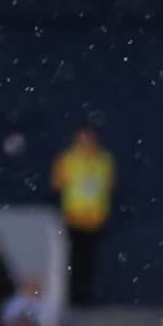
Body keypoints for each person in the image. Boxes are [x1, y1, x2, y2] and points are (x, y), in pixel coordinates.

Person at [51, 121, 116, 306]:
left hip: (95, 219)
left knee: (90, 261)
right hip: (73, 218)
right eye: (83, 138)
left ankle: (86, 297)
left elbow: (110, 185)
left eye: (89, 138)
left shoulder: (104, 160)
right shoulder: (67, 159)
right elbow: (57, 186)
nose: (86, 142)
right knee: (73, 260)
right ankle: (73, 298)